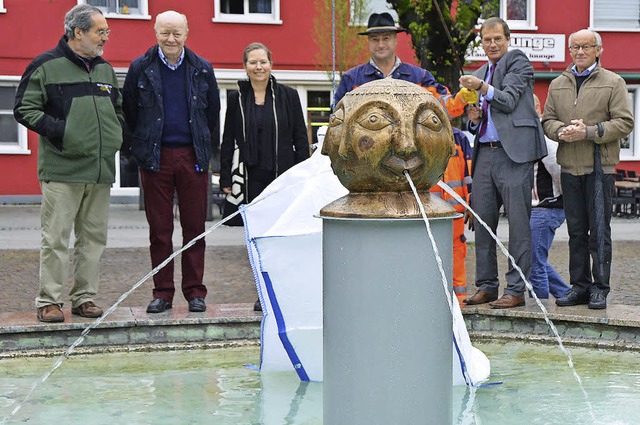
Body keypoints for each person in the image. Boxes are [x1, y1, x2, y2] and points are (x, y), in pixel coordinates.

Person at [13, 4, 123, 322]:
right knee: (56, 239)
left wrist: (116, 135)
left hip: (100, 171)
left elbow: (118, 110)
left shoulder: (104, 70)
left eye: (107, 32)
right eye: (100, 31)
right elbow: (24, 109)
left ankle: (84, 298)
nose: (105, 38)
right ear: (78, 32)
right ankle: (49, 301)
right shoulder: (45, 66)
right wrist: (64, 133)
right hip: (62, 170)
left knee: (93, 240)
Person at [122, 10, 220, 314]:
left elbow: (212, 115)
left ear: (187, 33)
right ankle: (162, 292)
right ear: (155, 32)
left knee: (195, 228)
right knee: (160, 231)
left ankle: (194, 292)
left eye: (177, 32)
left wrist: (206, 153)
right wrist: (139, 151)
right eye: (165, 32)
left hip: (192, 157)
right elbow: (130, 113)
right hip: (156, 157)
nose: (171, 39)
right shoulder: (140, 68)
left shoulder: (202, 69)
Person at [458, 17, 547, 309]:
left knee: (519, 224)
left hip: (515, 155)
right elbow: (484, 119)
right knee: (482, 223)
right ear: (481, 42)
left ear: (508, 40)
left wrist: (482, 87)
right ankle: (486, 286)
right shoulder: (482, 71)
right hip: (485, 153)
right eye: (487, 40)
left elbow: (508, 100)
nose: (492, 44)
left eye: (497, 38)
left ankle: (517, 289)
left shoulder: (518, 62)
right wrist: (473, 120)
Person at [541, 29, 634, 309]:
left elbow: (625, 123)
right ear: (570, 51)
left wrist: (590, 132)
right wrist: (561, 131)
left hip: (599, 167)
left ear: (598, 50)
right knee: (577, 232)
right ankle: (579, 286)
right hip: (570, 167)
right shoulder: (558, 84)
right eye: (575, 47)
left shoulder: (613, 82)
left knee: (599, 232)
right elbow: (547, 120)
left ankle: (599, 288)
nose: (579, 52)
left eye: (586, 46)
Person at [220, 42, 310, 311]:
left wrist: (304, 174)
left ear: (271, 64)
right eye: (252, 62)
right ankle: (263, 292)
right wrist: (225, 176)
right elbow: (228, 140)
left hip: (282, 179)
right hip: (251, 180)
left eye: (263, 62)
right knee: (257, 238)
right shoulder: (237, 100)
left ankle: (285, 290)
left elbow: (300, 139)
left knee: (282, 236)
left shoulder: (288, 96)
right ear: (245, 66)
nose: (258, 67)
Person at [332, 12, 473, 117]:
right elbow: (337, 116)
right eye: (375, 39)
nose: (380, 44)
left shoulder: (419, 77)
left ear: (395, 40)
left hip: (409, 154)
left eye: (386, 38)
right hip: (365, 154)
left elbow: (441, 107)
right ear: (368, 42)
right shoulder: (352, 79)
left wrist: (461, 98)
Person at [530, 94, 570, 300]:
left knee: (534, 261)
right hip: (539, 207)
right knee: (535, 259)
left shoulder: (543, 136)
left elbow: (557, 168)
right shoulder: (528, 134)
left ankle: (538, 311)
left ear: (537, 108)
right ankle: (565, 293)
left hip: (547, 207)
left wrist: (562, 198)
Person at [429, 127, 473, 306]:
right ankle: (435, 301)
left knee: (457, 253)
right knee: (432, 253)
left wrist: (471, 203)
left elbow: (468, 174)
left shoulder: (458, 137)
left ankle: (460, 302)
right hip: (430, 211)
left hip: (455, 210)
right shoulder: (420, 135)